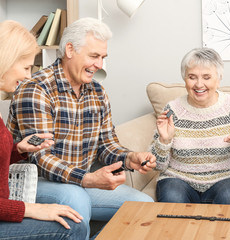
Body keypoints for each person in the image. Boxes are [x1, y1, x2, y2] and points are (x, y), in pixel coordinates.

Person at [7, 18, 156, 239]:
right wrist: (88, 179)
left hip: (80, 181)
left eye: (103, 58)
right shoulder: (37, 89)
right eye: (94, 56)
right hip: (36, 183)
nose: (99, 65)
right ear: (70, 50)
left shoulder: (97, 92)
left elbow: (107, 144)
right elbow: (40, 157)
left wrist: (130, 157)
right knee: (75, 199)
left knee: (145, 206)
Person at [0, 20, 86, 240]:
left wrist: (18, 148)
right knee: (72, 228)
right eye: (27, 67)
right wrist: (31, 209)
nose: (29, 75)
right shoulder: (36, 89)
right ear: (6, 61)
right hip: (6, 212)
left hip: (6, 211)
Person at [150, 47, 230, 204]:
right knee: (172, 198)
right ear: (184, 79)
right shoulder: (172, 109)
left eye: (207, 77)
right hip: (178, 178)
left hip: (226, 178)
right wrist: (164, 141)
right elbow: (158, 166)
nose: (199, 84)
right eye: (192, 77)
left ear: (218, 79)